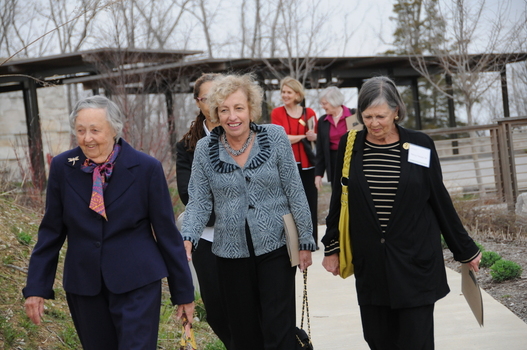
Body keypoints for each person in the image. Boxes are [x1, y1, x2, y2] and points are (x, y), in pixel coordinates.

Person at [321, 76, 482, 350]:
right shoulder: (351, 145)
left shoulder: (419, 144)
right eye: (367, 116)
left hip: (414, 261)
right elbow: (339, 198)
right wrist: (332, 247)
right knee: (378, 339)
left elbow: (439, 199)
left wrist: (465, 250)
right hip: (371, 264)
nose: (373, 123)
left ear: (396, 111)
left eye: (381, 116)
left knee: (416, 342)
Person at [23, 95, 195, 350]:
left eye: (95, 130)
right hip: (84, 283)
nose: (87, 138)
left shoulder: (146, 168)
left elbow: (167, 233)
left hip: (137, 281)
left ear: (115, 129)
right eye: (80, 131)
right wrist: (36, 287)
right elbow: (51, 232)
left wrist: (183, 293)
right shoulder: (63, 167)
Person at [181, 74, 316, 350]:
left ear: (251, 109)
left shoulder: (275, 136)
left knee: (279, 329)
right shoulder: (205, 149)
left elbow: (294, 190)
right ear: (216, 112)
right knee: (244, 334)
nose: (232, 116)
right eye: (224, 109)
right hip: (230, 254)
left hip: (275, 248)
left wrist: (305, 240)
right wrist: (188, 237)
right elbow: (199, 201)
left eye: (239, 108)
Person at [176, 73, 233, 348]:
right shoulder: (187, 147)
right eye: (206, 98)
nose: (212, 103)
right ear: (198, 102)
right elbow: (190, 195)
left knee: (252, 311)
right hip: (208, 240)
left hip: (249, 238)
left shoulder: (246, 136)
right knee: (218, 313)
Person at [271, 76, 319, 247]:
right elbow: (281, 137)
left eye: (288, 92)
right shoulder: (277, 113)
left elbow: (317, 136)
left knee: (310, 201)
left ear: (297, 94)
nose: (285, 95)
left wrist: (312, 136)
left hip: (308, 165)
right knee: (290, 202)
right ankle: (292, 238)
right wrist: (303, 136)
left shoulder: (310, 113)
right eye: (283, 92)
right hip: (287, 165)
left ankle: (311, 239)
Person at [315, 86, 362, 191]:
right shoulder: (323, 121)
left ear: (334, 102)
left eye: (324, 103)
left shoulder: (353, 115)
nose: (322, 106)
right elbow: (320, 149)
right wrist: (318, 174)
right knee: (337, 194)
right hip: (333, 162)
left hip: (352, 160)